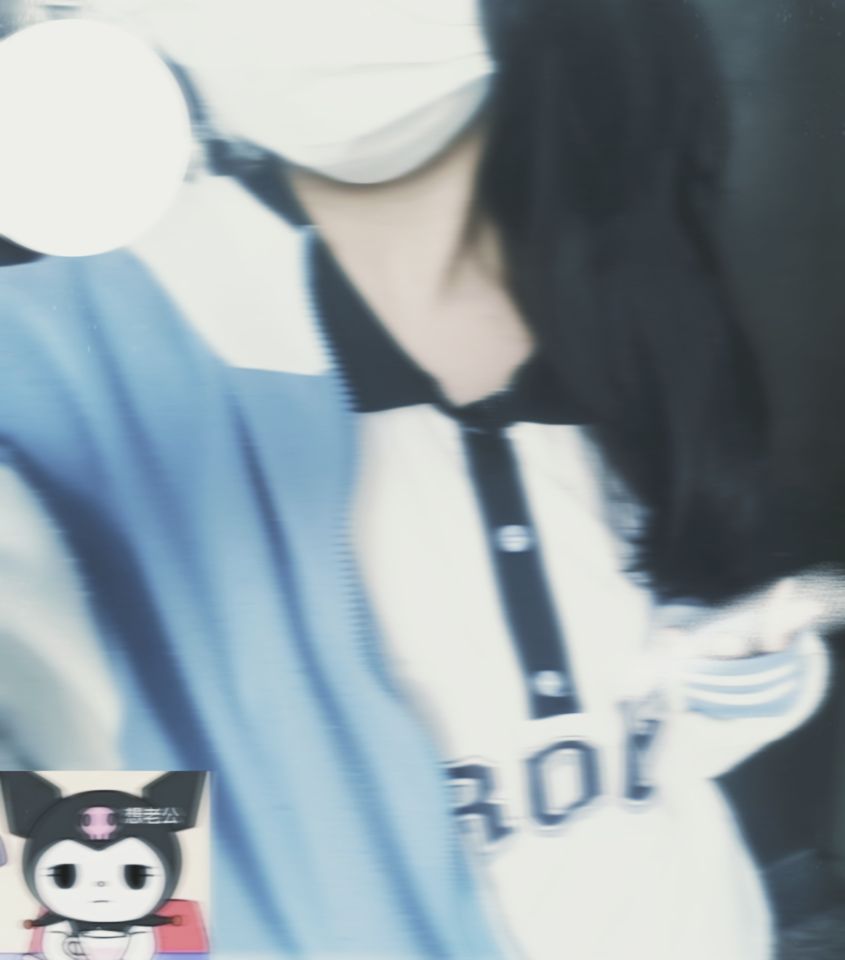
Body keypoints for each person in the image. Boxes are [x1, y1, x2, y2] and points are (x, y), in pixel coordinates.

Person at [0, 0, 836, 957]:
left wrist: (737, 681)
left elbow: (650, 725)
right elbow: (90, 916)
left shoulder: (632, 310)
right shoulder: (77, 387)